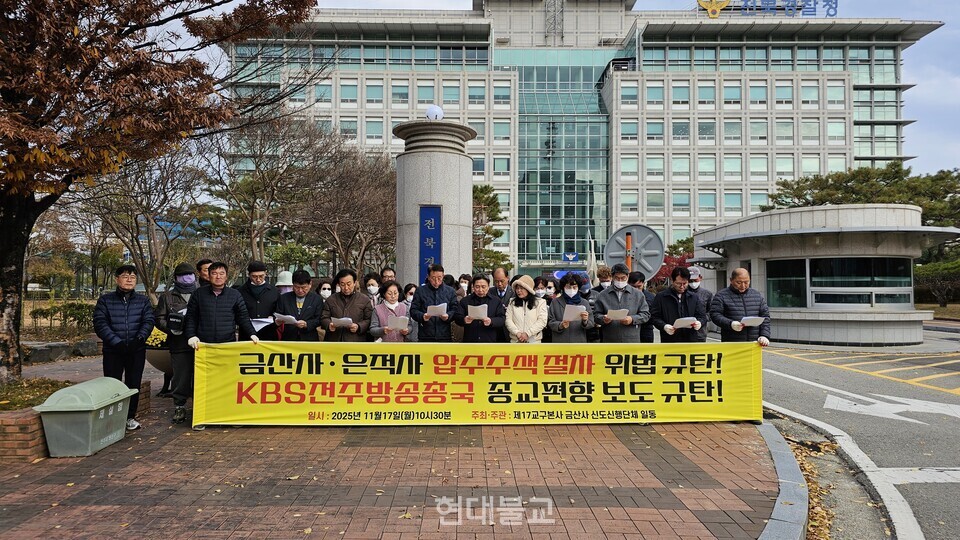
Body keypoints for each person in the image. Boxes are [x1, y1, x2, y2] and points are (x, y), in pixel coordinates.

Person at [93, 265, 155, 431]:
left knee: (133, 384)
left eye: (133, 277)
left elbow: (148, 321)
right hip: (113, 350)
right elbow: (100, 324)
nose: (129, 279)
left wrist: (139, 339)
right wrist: (116, 342)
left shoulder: (143, 301)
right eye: (125, 276)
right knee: (112, 384)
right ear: (116, 279)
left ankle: (129, 417)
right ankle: (111, 419)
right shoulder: (105, 300)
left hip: (136, 350)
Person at [155, 262, 198, 425]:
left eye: (190, 275)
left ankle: (199, 407)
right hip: (179, 344)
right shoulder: (167, 297)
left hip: (200, 344)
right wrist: (172, 328)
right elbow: (159, 318)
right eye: (183, 276)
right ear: (176, 278)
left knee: (201, 377)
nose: (187, 279)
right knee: (181, 377)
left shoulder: (201, 294)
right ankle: (179, 406)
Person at [710, 268, 771, 346]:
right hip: (731, 343)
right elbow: (715, 315)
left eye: (746, 282)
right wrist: (730, 324)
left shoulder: (757, 295)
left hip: (754, 344)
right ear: (731, 280)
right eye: (739, 282)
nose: (743, 286)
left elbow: (765, 316)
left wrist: (764, 335)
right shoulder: (721, 296)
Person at [594, 263, 650, 343]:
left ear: (627, 277)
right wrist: (603, 319)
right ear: (612, 277)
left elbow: (646, 314)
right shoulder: (602, 295)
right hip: (610, 340)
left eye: (623, 278)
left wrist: (632, 319)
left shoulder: (638, 294)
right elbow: (596, 315)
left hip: (631, 340)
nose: (620, 281)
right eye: (617, 278)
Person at [650, 266, 707, 343]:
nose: (682, 287)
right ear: (672, 281)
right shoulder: (661, 297)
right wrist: (664, 326)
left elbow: (702, 316)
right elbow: (654, 317)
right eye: (678, 283)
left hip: (691, 340)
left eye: (685, 283)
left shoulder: (694, 297)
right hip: (669, 340)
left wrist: (699, 323)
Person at [410, 264, 459, 342]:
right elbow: (413, 310)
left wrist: (448, 316)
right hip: (425, 335)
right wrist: (422, 316)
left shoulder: (450, 291)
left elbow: (455, 309)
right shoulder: (420, 291)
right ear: (428, 277)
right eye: (433, 278)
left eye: (439, 278)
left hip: (444, 335)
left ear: (443, 276)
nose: (436, 281)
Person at [320, 268, 372, 342]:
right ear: (339, 284)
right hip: (334, 340)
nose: (346, 288)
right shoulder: (331, 299)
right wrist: (329, 325)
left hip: (356, 341)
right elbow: (324, 318)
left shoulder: (364, 299)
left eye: (349, 284)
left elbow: (369, 319)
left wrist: (359, 326)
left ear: (354, 283)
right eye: (342, 284)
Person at [236, 260, 280, 341]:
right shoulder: (239, 291)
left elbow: (279, 310)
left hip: (269, 334)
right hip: (247, 335)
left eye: (261, 276)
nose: (258, 279)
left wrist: (273, 318)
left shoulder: (275, 291)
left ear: (265, 273)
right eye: (254, 276)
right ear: (249, 275)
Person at [455, 274, 506, 343]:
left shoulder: (496, 301)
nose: (480, 290)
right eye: (477, 287)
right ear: (473, 286)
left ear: (488, 287)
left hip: (489, 341)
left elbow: (502, 319)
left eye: (483, 287)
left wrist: (491, 321)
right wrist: (464, 319)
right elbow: (457, 317)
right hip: (470, 341)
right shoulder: (465, 301)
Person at [547, 273, 595, 343]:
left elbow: (591, 322)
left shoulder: (584, 302)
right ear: (563, 287)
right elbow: (550, 321)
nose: (572, 290)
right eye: (568, 287)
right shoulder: (555, 302)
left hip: (578, 341)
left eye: (574, 287)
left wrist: (585, 321)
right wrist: (560, 325)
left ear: (578, 287)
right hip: (560, 341)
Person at [276, 270, 323, 341]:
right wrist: (279, 320)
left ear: (310, 284)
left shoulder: (317, 299)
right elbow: (278, 315)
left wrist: (307, 324)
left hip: (309, 339)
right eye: (297, 287)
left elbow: (319, 319)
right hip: (288, 339)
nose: (300, 290)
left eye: (304, 287)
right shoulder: (284, 298)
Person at [505, 275, 548, 343]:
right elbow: (508, 320)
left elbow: (542, 321)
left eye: (522, 288)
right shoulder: (512, 302)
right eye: (517, 288)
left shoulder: (540, 302)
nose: (519, 291)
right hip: (515, 341)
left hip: (534, 342)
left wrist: (528, 333)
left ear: (528, 289)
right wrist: (517, 333)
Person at [629, 271, 656, 343]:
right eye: (633, 287)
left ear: (643, 284)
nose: (636, 290)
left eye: (639, 286)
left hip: (645, 331)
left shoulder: (650, 297)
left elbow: (652, 315)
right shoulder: (624, 296)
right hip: (629, 331)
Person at [688, 267, 714, 342]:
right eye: (690, 280)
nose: (693, 283)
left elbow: (711, 312)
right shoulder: (682, 293)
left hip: (700, 333)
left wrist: (701, 321)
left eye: (695, 280)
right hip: (683, 333)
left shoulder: (707, 294)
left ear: (700, 277)